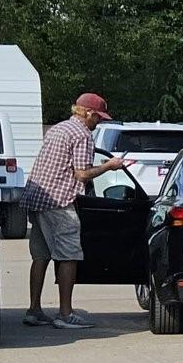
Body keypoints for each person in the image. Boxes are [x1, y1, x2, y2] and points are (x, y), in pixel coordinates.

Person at [21, 93, 127, 329]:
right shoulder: (82, 135)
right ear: (88, 113)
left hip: (37, 198)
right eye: (98, 118)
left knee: (40, 256)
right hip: (60, 201)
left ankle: (34, 310)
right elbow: (81, 174)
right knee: (69, 256)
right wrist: (109, 166)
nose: (98, 122)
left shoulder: (58, 128)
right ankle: (65, 314)